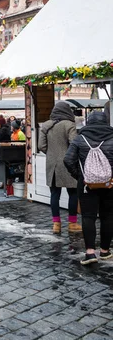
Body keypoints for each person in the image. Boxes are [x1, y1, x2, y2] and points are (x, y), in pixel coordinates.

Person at [64, 112, 113, 265]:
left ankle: (90, 253)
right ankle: (105, 251)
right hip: (110, 184)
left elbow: (68, 159)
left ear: (88, 122)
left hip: (86, 185)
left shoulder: (80, 138)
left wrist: (80, 176)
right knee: (108, 216)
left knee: (88, 216)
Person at [38, 102, 80, 234]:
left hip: (51, 163)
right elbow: (74, 144)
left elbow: (41, 146)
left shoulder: (46, 125)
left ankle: (56, 225)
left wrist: (51, 154)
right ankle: (72, 224)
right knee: (72, 193)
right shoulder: (69, 125)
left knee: (54, 194)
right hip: (67, 164)